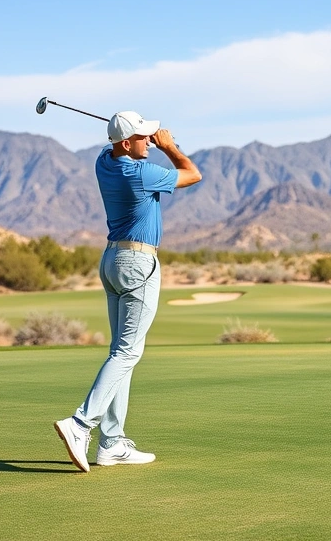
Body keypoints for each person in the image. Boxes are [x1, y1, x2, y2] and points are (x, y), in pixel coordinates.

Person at [55, 110, 202, 472]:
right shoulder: (139, 173)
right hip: (138, 263)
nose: (150, 142)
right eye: (144, 138)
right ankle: (80, 424)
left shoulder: (104, 161)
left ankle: (112, 443)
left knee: (121, 353)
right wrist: (170, 146)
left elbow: (118, 147)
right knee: (126, 353)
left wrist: (139, 137)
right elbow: (193, 174)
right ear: (126, 142)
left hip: (112, 261)